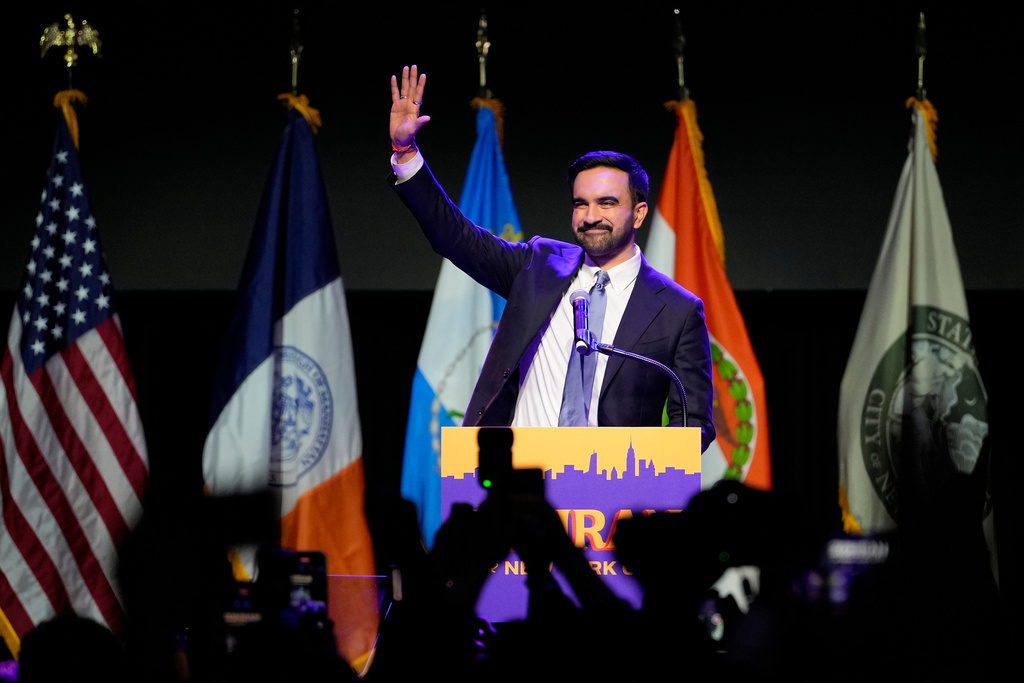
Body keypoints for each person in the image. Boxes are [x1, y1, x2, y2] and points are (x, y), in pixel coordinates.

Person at [388, 65, 715, 451]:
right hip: (518, 487)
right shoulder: (537, 267)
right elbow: (455, 236)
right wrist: (407, 154)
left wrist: (644, 475)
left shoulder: (677, 311)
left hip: (611, 493)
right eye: (581, 204)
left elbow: (694, 423)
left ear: (639, 213)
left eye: (607, 203)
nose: (591, 216)